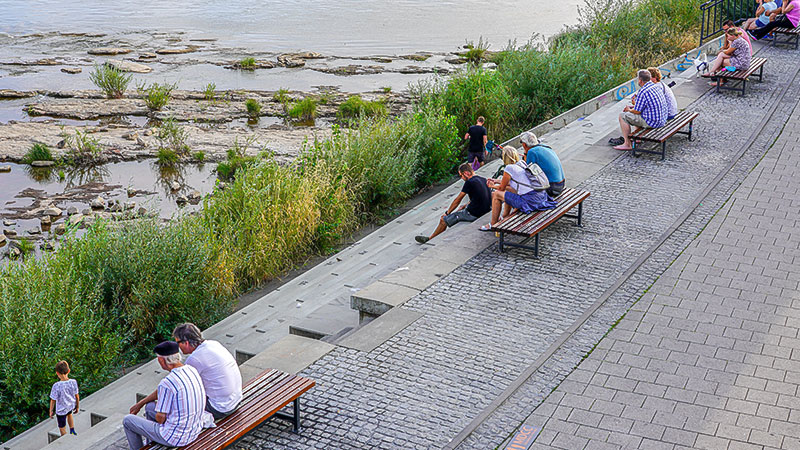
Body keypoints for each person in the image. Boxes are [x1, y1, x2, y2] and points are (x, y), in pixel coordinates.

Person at [123, 341, 208, 450]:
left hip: (176, 438)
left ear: (161, 360)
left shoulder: (167, 382)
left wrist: (163, 407)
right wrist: (141, 403)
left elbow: (160, 419)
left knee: (128, 420)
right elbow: (161, 392)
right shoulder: (191, 370)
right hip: (194, 430)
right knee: (149, 407)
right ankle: (150, 444)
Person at [173, 323, 242, 420]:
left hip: (220, 408)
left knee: (178, 404)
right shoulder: (214, 344)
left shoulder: (194, 359)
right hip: (236, 399)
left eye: (177, 343)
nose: (178, 347)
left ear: (186, 343)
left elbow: (178, 385)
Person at [480, 146, 556, 231]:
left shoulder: (509, 168)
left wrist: (491, 186)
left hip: (529, 201)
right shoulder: (521, 163)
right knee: (508, 190)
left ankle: (493, 224)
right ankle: (505, 216)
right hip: (540, 196)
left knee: (496, 194)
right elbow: (515, 182)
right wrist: (496, 181)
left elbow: (501, 188)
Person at [415, 163, 491, 244]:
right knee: (461, 209)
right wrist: (466, 205)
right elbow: (479, 197)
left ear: (466, 173)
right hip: (486, 210)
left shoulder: (469, 182)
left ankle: (430, 239)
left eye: (461, 175)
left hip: (474, 214)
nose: (461, 178)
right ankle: (434, 237)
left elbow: (457, 200)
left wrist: (447, 213)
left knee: (443, 220)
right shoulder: (483, 179)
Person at [613, 70, 668, 151]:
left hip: (653, 123)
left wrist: (629, 109)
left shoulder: (643, 91)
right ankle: (638, 138)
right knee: (637, 115)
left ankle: (627, 144)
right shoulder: (656, 86)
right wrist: (634, 105)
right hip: (662, 120)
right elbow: (643, 107)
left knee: (622, 116)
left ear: (640, 80)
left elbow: (637, 111)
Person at [519, 132, 566, 198]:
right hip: (561, 184)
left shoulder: (531, 152)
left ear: (524, 144)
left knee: (521, 186)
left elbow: (527, 173)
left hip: (552, 188)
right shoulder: (545, 146)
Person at [49, 361, 79, 437]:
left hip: (61, 410)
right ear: (68, 371)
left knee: (62, 427)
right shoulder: (73, 382)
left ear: (57, 373)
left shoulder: (56, 385)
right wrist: (77, 406)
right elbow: (77, 395)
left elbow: (53, 400)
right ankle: (72, 430)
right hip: (70, 406)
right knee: (69, 415)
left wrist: (51, 410)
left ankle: (65, 437)